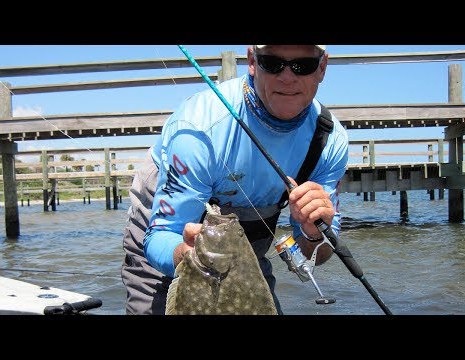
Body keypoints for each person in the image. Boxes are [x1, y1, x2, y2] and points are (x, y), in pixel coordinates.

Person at [121, 45, 349, 315]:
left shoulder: (329, 142)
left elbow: (318, 255)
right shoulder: (197, 131)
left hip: (245, 245)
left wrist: (313, 234)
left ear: (322, 67)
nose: (288, 77)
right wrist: (188, 256)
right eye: (272, 63)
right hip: (173, 229)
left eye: (303, 65)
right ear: (252, 61)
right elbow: (161, 237)